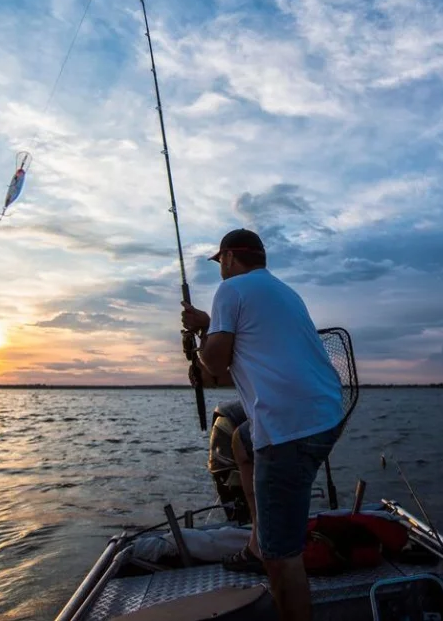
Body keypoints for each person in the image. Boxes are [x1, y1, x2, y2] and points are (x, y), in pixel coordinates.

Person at [180, 228, 344, 621]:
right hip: (327, 415)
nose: (220, 269)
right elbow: (248, 344)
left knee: (281, 558)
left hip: (288, 428)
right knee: (241, 440)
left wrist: (200, 346)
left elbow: (215, 365)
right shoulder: (283, 292)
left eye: (220, 262)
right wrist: (207, 326)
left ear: (229, 258)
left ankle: (270, 551)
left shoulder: (230, 289)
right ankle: (258, 542)